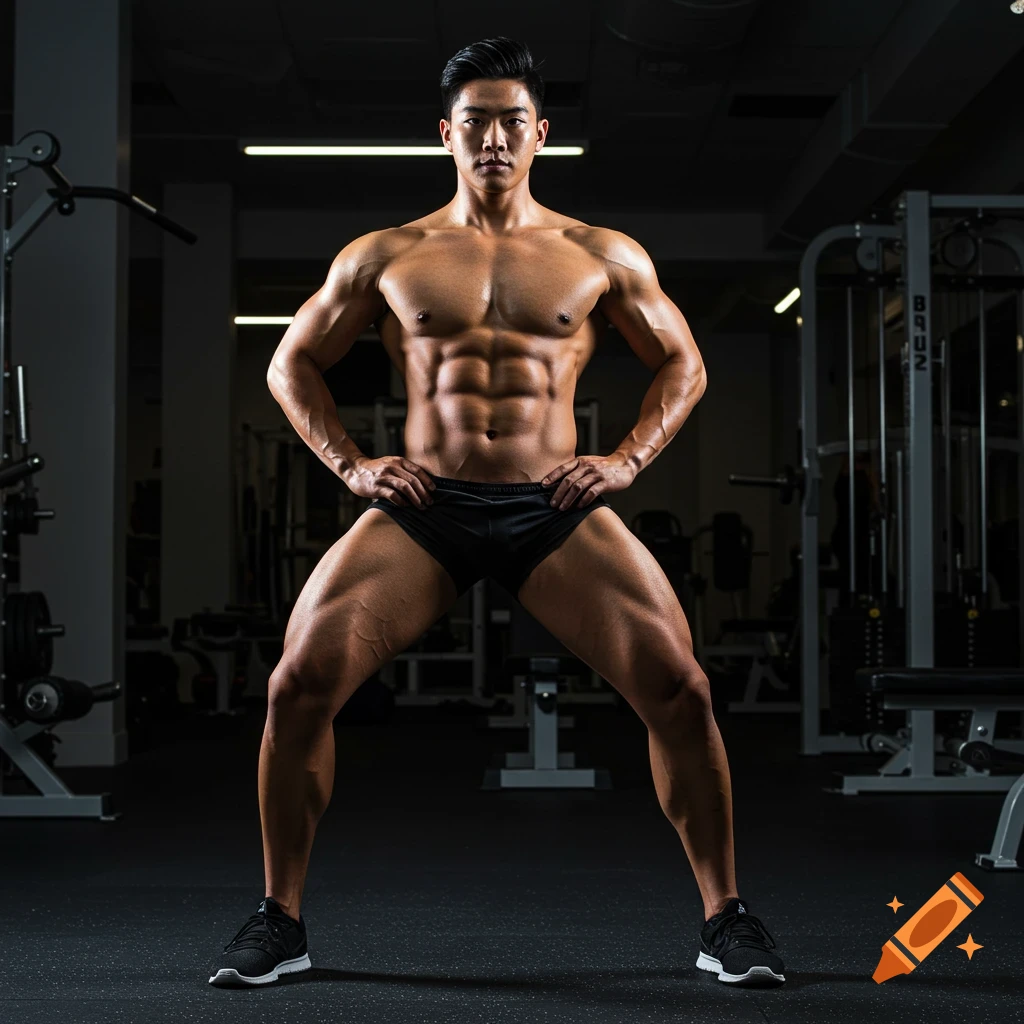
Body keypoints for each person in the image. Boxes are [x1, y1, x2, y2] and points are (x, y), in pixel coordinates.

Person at [209, 37, 786, 990]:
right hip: (426, 504)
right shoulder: (385, 253)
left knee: (681, 689)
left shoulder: (599, 252)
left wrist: (628, 459)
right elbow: (289, 364)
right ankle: (281, 920)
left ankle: (727, 917)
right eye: (474, 120)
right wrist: (350, 465)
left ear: (541, 134)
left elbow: (684, 363)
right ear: (446, 134)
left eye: (512, 119)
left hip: (552, 501)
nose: (493, 137)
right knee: (296, 684)